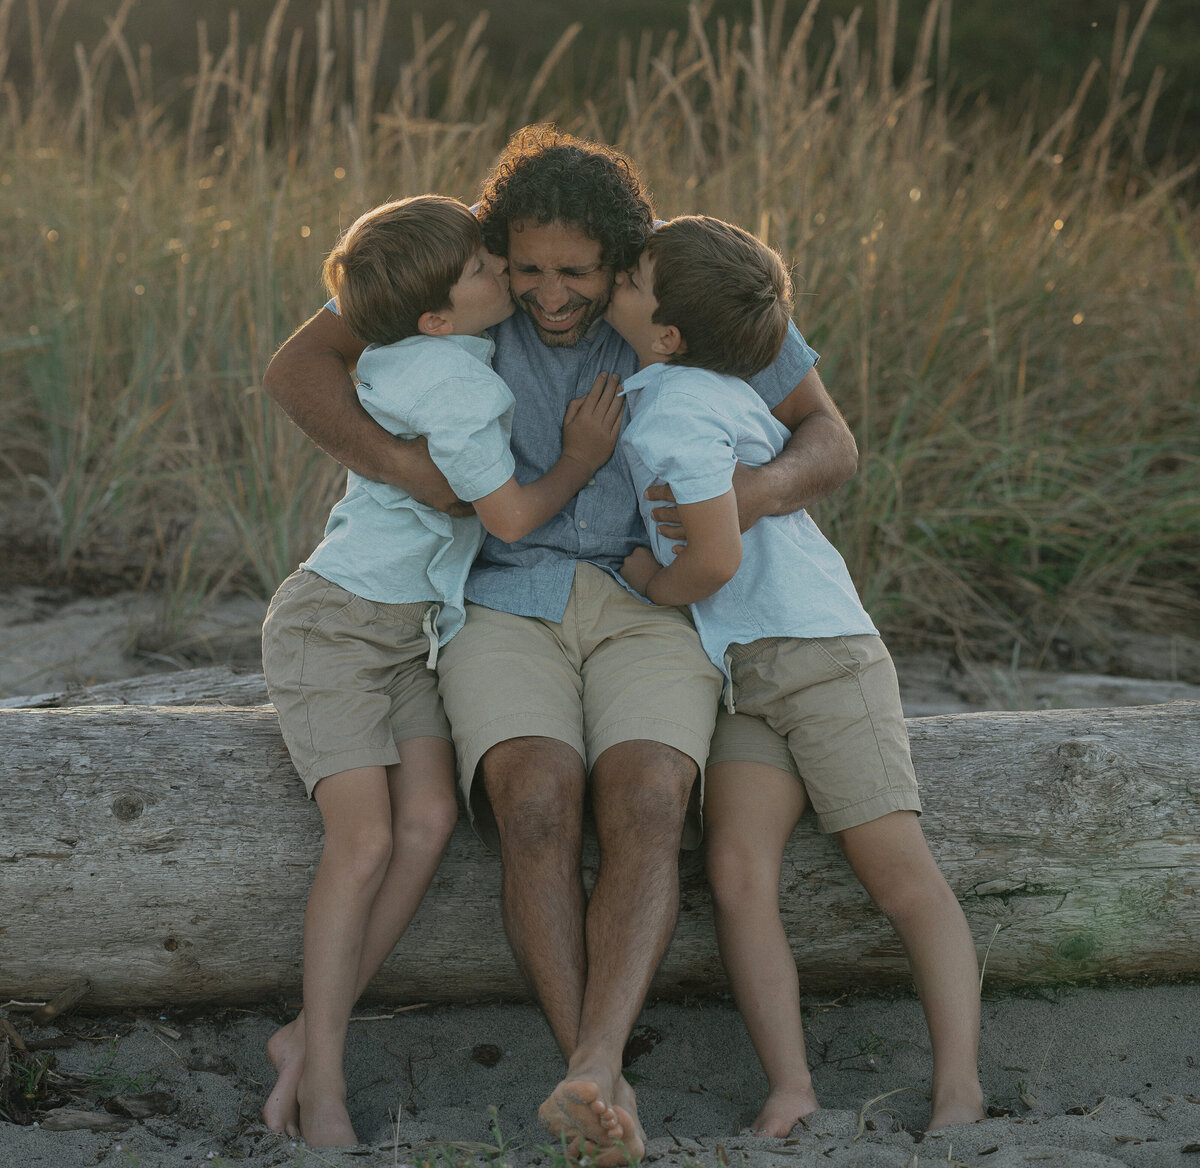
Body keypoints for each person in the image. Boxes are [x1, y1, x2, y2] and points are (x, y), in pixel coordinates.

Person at [262, 127, 859, 1163]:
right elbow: (300, 363)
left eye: (575, 274)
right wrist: (406, 468)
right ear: (498, 253)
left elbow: (830, 439)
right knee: (534, 797)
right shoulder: (462, 272)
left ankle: (596, 1061)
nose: (546, 293)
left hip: (650, 594)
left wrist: (744, 496)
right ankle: (593, 1071)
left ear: (625, 261)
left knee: (647, 797)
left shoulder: (681, 283)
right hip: (505, 595)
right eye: (527, 268)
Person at [607, 215, 985, 1137]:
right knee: (737, 872)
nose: (617, 279)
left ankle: (961, 1089)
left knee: (901, 875)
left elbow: (715, 561)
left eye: (633, 278)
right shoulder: (702, 382)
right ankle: (791, 1087)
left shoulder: (678, 406)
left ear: (668, 332)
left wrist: (652, 580)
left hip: (818, 656)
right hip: (743, 669)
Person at [260, 194, 623, 1147]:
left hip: (416, 630)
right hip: (337, 627)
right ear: (435, 313)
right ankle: (323, 1079)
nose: (504, 274)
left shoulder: (432, 342)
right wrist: (582, 457)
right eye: (484, 268)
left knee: (426, 824)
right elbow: (507, 518)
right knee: (367, 842)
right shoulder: (455, 383)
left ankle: (307, 1029)